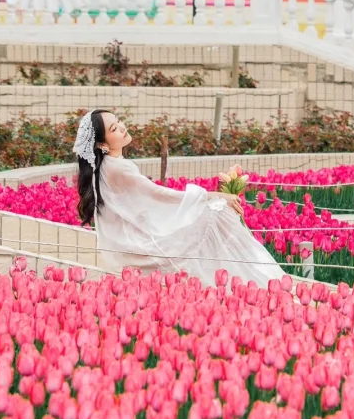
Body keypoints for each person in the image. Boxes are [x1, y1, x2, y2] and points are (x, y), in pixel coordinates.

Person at [74, 110, 284, 288]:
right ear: (101, 143)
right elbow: (158, 195)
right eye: (113, 129)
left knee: (209, 217)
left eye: (118, 121)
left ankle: (238, 279)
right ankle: (249, 281)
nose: (121, 127)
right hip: (138, 246)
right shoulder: (117, 168)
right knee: (215, 212)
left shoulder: (107, 166)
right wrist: (211, 196)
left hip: (131, 241)